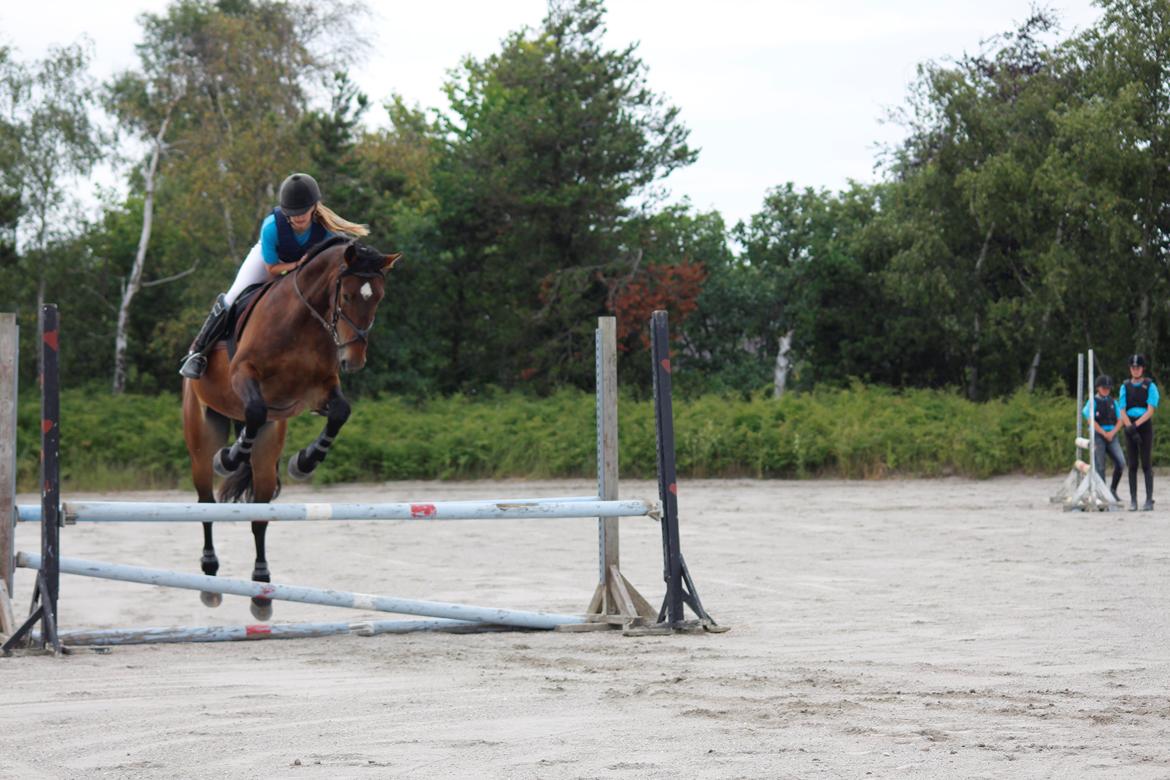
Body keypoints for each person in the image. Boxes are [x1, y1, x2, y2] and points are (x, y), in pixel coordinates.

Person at [178, 173, 369, 379]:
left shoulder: (327, 230)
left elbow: (344, 256)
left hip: (303, 268)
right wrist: (297, 265)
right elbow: (272, 269)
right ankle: (197, 352)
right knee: (233, 296)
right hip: (271, 261)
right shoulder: (271, 227)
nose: (298, 217)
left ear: (314, 207)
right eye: (293, 213)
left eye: (303, 211)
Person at [1119, 354, 1159, 511]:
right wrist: (1129, 427)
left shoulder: (1150, 386)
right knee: (1132, 464)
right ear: (1130, 369)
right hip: (1130, 425)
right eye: (1133, 368)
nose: (1135, 370)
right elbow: (1122, 409)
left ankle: (1149, 499)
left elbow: (1150, 410)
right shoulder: (1125, 386)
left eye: (1138, 368)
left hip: (1143, 425)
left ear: (1142, 369)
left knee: (1146, 463)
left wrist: (1136, 425)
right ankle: (1133, 500)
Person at [1083, 375, 1125, 502]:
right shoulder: (1092, 401)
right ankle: (1101, 494)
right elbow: (1090, 419)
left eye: (1108, 388)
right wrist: (1103, 432)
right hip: (1098, 435)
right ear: (1097, 388)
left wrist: (1112, 432)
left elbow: (1120, 420)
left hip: (1112, 435)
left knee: (1121, 462)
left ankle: (1112, 490)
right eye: (1104, 388)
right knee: (1100, 466)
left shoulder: (1113, 402)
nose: (1106, 390)